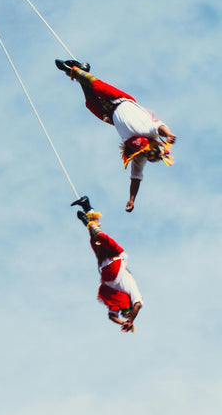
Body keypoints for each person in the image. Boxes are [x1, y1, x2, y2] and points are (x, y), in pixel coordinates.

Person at [55, 60, 176, 211]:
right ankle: (73, 70)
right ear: (153, 144)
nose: (144, 152)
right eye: (147, 151)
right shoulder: (150, 131)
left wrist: (132, 199)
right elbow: (160, 126)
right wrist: (169, 134)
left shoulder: (139, 157)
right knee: (97, 86)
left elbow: (136, 178)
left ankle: (82, 71)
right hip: (120, 100)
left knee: (91, 104)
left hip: (111, 115)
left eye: (146, 154)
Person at [72, 195, 143, 332]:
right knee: (99, 235)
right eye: (125, 310)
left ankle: (87, 206)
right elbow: (138, 305)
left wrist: (122, 322)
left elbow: (111, 316)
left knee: (94, 238)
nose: (122, 310)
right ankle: (87, 217)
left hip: (105, 264)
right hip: (115, 258)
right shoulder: (131, 291)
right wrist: (130, 320)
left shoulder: (116, 299)